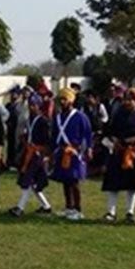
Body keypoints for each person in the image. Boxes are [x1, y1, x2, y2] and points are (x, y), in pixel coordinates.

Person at [100, 89, 135, 223]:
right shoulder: (118, 114)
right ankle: (111, 212)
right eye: (126, 99)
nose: (127, 102)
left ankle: (130, 212)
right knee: (113, 184)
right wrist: (114, 140)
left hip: (133, 153)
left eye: (131, 100)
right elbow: (109, 130)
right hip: (118, 151)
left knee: (133, 184)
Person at [50, 87, 92, 220]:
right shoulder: (57, 117)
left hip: (74, 151)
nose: (62, 102)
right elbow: (55, 135)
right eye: (60, 99)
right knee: (65, 180)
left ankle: (78, 209)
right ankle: (69, 207)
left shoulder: (80, 117)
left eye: (64, 99)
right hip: (62, 151)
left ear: (71, 101)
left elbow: (87, 134)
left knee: (74, 181)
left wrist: (88, 148)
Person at [8, 94, 53, 217]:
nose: (32, 107)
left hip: (37, 154)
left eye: (34, 105)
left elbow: (47, 141)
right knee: (33, 183)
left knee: (28, 181)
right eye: (30, 105)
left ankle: (20, 207)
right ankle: (46, 206)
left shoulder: (43, 121)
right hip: (29, 153)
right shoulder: (30, 120)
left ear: (39, 106)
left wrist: (44, 154)